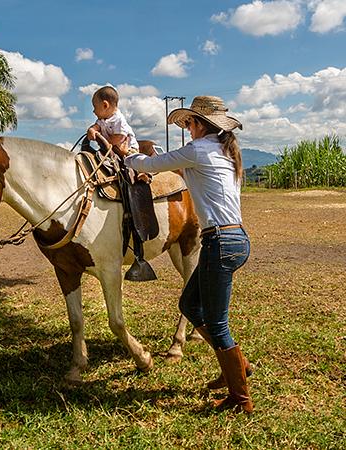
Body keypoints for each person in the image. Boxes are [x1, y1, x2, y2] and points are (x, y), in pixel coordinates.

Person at [112, 95, 254, 413]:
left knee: (217, 324)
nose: (187, 128)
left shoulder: (199, 150)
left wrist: (127, 155)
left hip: (220, 243)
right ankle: (238, 367)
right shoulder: (223, 152)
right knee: (190, 305)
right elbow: (176, 169)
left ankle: (240, 398)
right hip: (232, 240)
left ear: (200, 124)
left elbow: (150, 164)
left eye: (189, 123)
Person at [87, 86, 139, 154]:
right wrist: (92, 130)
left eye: (95, 107)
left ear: (105, 105)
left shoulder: (119, 120)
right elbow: (96, 126)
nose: (93, 111)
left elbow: (119, 137)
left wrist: (105, 141)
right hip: (112, 147)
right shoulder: (102, 119)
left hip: (128, 148)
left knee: (130, 159)